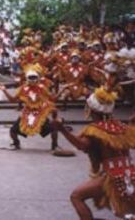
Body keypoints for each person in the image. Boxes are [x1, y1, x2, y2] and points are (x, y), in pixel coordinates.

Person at [52, 87, 135, 220]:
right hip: (129, 173)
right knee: (128, 210)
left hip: (113, 176)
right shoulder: (120, 126)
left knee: (76, 196)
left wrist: (62, 129)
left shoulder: (94, 130)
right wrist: (131, 123)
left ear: (90, 109)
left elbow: (81, 145)